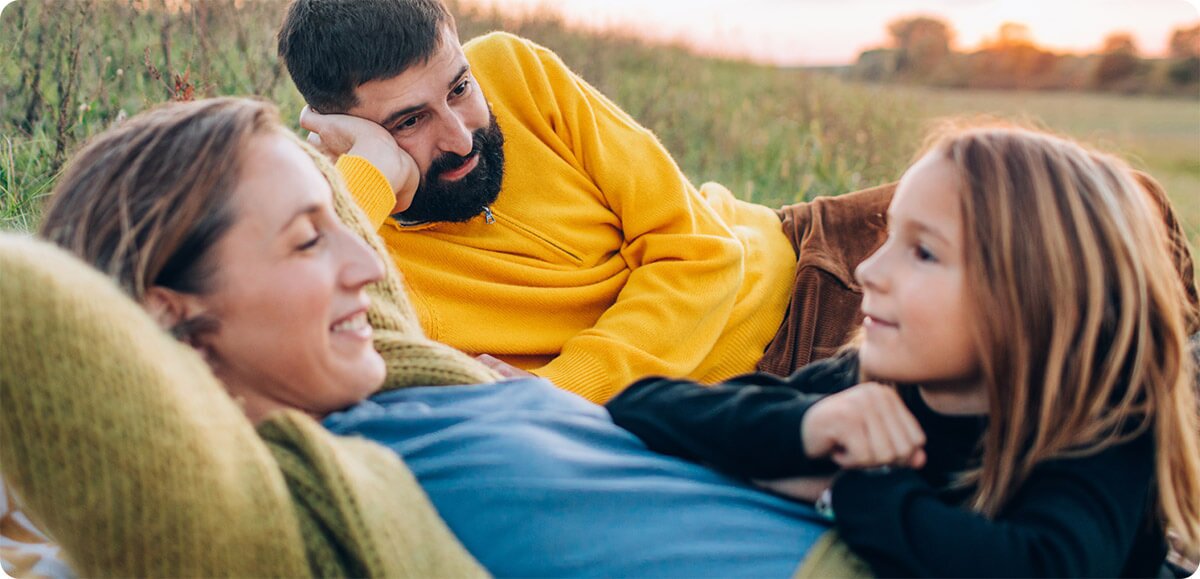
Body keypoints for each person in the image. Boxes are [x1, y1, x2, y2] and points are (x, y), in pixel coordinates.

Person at [21, 97, 847, 578]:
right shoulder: (276, 507)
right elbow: (30, 311)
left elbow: (351, 241)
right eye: (308, 241)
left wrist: (369, 164)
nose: (371, 266)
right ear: (170, 314)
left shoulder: (396, 378)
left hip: (888, 513)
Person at [605, 125, 1200, 577]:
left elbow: (1039, 565)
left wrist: (843, 487)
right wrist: (811, 427)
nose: (866, 269)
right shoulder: (869, 379)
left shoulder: (1103, 425)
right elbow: (646, 407)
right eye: (888, 237)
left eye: (924, 252)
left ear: (1040, 298)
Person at [278, 0, 894, 402]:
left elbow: (700, 249)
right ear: (341, 129)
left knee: (986, 190)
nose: (460, 136)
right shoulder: (365, 257)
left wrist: (563, 391)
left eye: (459, 87)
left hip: (801, 244)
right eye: (410, 121)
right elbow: (289, 331)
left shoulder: (515, 69)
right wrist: (368, 175)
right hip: (767, 381)